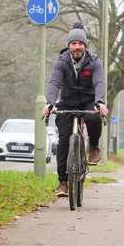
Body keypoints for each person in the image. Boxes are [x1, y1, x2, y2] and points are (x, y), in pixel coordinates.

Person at [43, 21, 109, 197]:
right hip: (67, 102)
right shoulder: (62, 61)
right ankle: (63, 182)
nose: (77, 47)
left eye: (80, 44)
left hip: (89, 101)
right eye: (74, 43)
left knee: (95, 118)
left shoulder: (94, 61)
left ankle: (93, 145)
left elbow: (99, 82)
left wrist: (100, 102)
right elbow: (55, 82)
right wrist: (50, 102)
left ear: (85, 45)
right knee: (64, 141)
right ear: (69, 45)